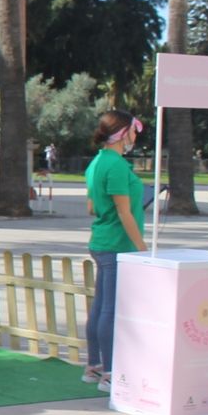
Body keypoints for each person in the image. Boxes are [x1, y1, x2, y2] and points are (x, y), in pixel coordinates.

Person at [84, 110, 147, 391]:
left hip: (101, 241)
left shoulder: (97, 163)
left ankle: (94, 367)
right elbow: (125, 213)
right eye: (135, 132)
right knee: (109, 309)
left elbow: (92, 207)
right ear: (124, 133)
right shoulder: (117, 166)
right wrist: (143, 250)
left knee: (99, 308)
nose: (136, 137)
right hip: (116, 245)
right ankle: (110, 372)